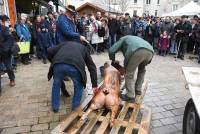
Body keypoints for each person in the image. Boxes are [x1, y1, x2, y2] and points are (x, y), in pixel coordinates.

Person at [47, 41, 97, 112]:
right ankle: (75, 108)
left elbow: (49, 51)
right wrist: (94, 85)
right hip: (74, 67)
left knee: (56, 85)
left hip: (58, 65)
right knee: (78, 87)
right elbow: (92, 68)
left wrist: (53, 61)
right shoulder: (84, 49)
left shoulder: (66, 43)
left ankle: (55, 107)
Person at [109, 35, 154, 102]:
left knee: (129, 74)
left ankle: (130, 96)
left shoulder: (122, 39)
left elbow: (111, 51)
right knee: (142, 70)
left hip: (137, 51)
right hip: (150, 52)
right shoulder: (133, 38)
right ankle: (138, 89)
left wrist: (113, 60)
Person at [0, 15, 16, 95]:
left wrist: (5, 49)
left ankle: (12, 79)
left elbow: (10, 39)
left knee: (9, 67)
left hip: (5, 52)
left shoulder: (5, 29)